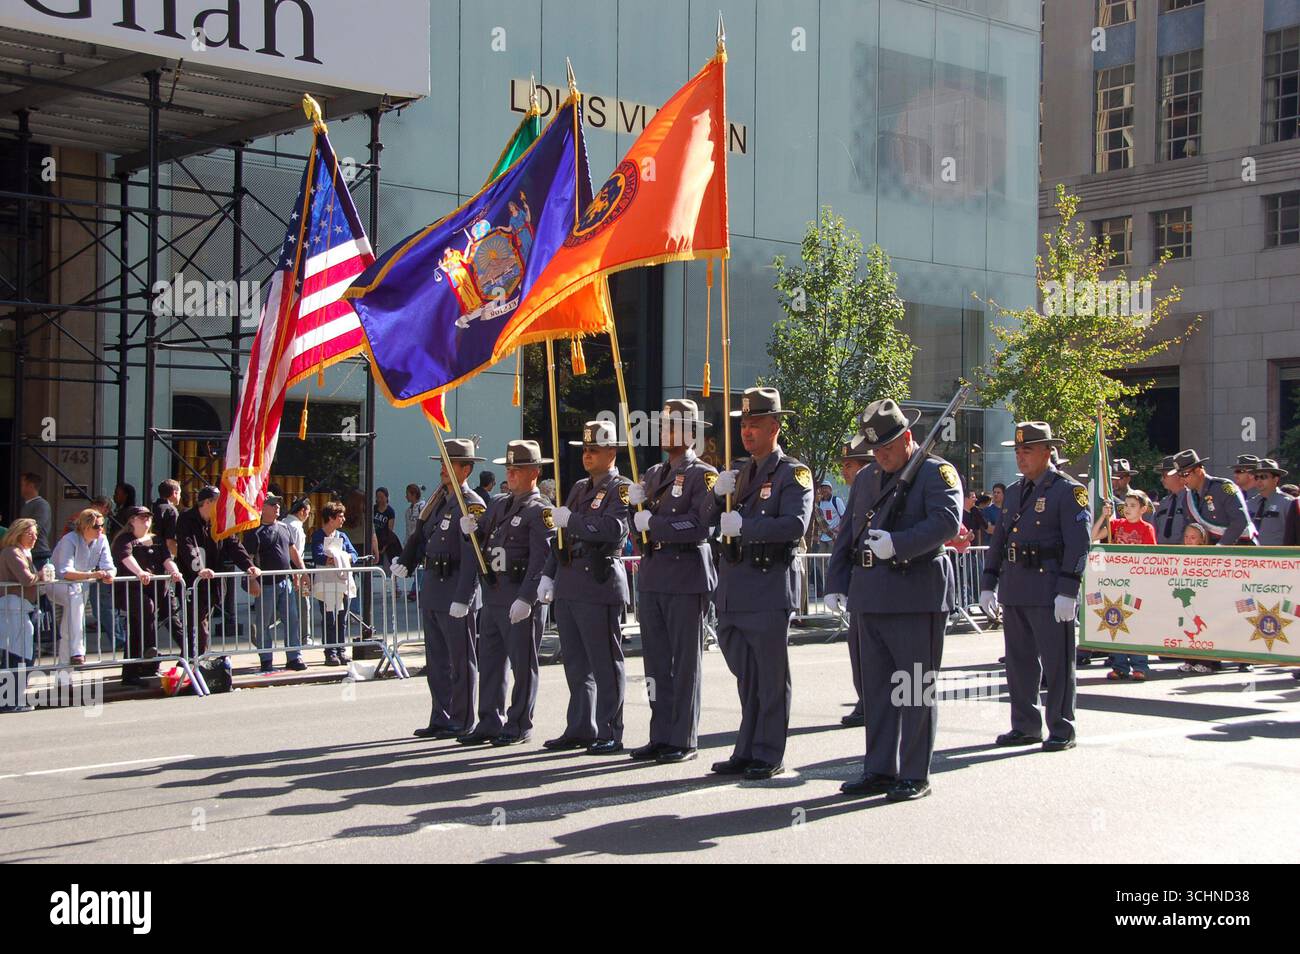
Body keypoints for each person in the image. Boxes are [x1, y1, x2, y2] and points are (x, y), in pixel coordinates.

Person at [825, 400, 962, 801]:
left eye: (886, 448)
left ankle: (914, 773)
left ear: (906, 438)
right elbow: (848, 533)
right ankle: (879, 768)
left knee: (915, 689)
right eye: (875, 450)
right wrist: (837, 581)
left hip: (915, 595)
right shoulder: (867, 477)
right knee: (878, 692)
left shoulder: (937, 472)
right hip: (870, 596)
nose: (880, 456)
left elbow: (946, 522)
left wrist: (899, 545)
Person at [705, 387, 813, 780]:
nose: (747, 431)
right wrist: (717, 498)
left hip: (767, 587)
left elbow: (795, 525)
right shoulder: (739, 472)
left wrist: (746, 528)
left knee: (769, 676)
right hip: (734, 589)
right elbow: (706, 520)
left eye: (755, 424)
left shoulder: (792, 474)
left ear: (775, 426)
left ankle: (768, 751)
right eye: (744, 424)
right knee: (746, 676)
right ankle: (746, 747)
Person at [979, 422, 1091, 752]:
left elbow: (1079, 544)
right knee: (1019, 662)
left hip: (1049, 588)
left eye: (1027, 450)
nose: (1020, 457)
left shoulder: (1068, 490)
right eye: (1016, 451)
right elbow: (998, 541)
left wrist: (1069, 589)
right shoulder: (1014, 493)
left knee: (1057, 664)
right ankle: (1025, 725)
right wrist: (989, 582)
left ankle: (1061, 726)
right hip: (1016, 587)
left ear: (1047, 451)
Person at [626, 399, 718, 764]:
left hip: (685, 573)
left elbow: (700, 525)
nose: (665, 431)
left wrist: (656, 524)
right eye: (663, 424)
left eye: (673, 425)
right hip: (653, 573)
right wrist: (637, 510)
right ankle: (660, 734)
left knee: (685, 663)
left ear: (691, 431)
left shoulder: (703, 475)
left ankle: (683, 738)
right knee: (656, 663)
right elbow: (639, 528)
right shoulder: (651, 474)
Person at [537, 421, 632, 754]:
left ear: (612, 452)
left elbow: (613, 528)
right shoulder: (578, 488)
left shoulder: (621, 488)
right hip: (570, 581)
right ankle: (580, 726)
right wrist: (548, 575)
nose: (587, 455)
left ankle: (609, 729)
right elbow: (560, 540)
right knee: (575, 663)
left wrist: (572, 520)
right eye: (585, 450)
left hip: (598, 581)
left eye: (594, 450)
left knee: (604, 662)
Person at [457, 440, 555, 746]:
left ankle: (519, 723)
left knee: (522, 664)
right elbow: (481, 535)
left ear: (534, 473)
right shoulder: (499, 503)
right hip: (495, 594)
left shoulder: (541, 511)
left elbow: (542, 559)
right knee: (491, 662)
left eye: (518, 469)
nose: (511, 474)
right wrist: (471, 528)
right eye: (509, 469)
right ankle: (489, 719)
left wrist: (527, 597)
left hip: (518, 597)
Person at [392, 440, 486, 738]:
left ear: (466, 469)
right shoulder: (439, 501)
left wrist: (465, 597)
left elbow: (473, 555)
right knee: (436, 662)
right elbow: (424, 538)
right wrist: (408, 560)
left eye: (450, 464)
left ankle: (462, 718)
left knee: (460, 660)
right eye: (442, 463)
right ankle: (441, 715)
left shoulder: (472, 504)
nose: (443, 469)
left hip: (456, 590)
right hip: (434, 587)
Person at [174, 486, 261, 658]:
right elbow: (187, 546)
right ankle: (194, 660)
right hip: (194, 580)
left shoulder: (220, 521)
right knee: (196, 622)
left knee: (201, 621)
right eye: (218, 503)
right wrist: (199, 568)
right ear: (207, 503)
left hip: (213, 582)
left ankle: (196, 658)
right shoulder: (187, 519)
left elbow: (233, 544)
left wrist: (248, 565)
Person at [111, 507, 184, 686]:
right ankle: (141, 661)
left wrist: (175, 572)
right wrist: (140, 572)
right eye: (142, 517)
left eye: (148, 517)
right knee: (142, 617)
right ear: (132, 520)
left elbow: (167, 559)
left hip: (160, 589)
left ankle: (191, 655)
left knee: (174, 620)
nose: (146, 520)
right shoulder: (125, 540)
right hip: (134, 591)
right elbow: (126, 557)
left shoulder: (156, 540)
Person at [1092, 492, 1156, 681]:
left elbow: (1151, 554)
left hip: (1135, 581)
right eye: (1126, 505)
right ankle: (1119, 665)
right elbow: (1093, 535)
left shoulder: (1147, 528)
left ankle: (1140, 665)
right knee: (1116, 621)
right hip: (1116, 580)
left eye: (1133, 506)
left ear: (1143, 509)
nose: (1127, 509)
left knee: (1135, 623)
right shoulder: (1116, 525)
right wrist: (1104, 516)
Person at [244, 497, 307, 673]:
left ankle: (294, 656)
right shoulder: (254, 532)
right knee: (264, 622)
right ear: (262, 508)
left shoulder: (284, 527)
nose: (277, 506)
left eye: (278, 504)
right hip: (265, 584)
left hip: (284, 581)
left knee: (292, 619)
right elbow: (247, 559)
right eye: (272, 504)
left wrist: (301, 572)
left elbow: (292, 551)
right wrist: (252, 580)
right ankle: (266, 658)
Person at [836, 435, 874, 729]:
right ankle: (866, 700)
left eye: (849, 465)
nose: (844, 472)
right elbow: (846, 536)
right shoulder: (858, 492)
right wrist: (835, 582)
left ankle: (873, 702)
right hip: (861, 581)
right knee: (857, 646)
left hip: (884, 580)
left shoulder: (878, 489)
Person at [48, 509, 115, 667]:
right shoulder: (69, 539)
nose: (101, 529)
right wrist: (92, 575)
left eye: (102, 525)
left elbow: (109, 565)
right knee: (75, 593)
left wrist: (109, 575)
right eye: (97, 526)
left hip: (79, 587)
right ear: (85, 527)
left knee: (67, 630)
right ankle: (78, 650)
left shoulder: (102, 540)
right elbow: (65, 572)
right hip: (57, 585)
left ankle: (64, 678)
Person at [1172, 449, 1257, 544]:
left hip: (1240, 550)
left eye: (1185, 474)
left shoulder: (1223, 487)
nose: (1182, 480)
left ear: (1198, 470)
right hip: (1211, 554)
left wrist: (1220, 547)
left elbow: (1240, 521)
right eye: (1180, 476)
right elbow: (1190, 529)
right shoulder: (1188, 499)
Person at [311, 501, 359, 666]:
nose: (343, 519)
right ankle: (330, 652)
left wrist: (346, 557)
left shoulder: (342, 536)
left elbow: (354, 553)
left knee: (341, 618)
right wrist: (331, 559)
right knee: (329, 618)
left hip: (342, 584)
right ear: (330, 518)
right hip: (327, 583)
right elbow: (318, 555)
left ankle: (341, 650)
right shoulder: (319, 535)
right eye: (340, 516)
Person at [0, 519, 41, 712]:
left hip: (23, 607)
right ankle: (8, 701)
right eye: (30, 533)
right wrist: (42, 575)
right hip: (13, 608)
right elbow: (26, 579)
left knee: (24, 653)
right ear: (18, 533)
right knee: (16, 654)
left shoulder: (24, 553)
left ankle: (13, 698)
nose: (34, 537)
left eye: (35, 534)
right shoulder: (12, 552)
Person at [1248, 460, 1300, 546]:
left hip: (1277, 556)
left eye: (1263, 477)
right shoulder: (1249, 504)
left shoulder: (1288, 503)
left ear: (1276, 479)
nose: (1259, 480)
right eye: (1256, 477)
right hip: (1249, 556)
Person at [1151, 456, 1188, 545]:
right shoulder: (1164, 503)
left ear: (1177, 475)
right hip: (1162, 553)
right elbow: (1154, 528)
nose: (1161, 479)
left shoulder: (1192, 500)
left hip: (1184, 553)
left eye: (1164, 475)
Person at [18, 473, 52, 567]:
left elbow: (36, 527)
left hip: (39, 554)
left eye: (22, 485)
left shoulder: (41, 505)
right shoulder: (26, 505)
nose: (20, 488)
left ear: (31, 486)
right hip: (27, 552)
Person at [152, 480, 182, 558]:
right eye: (179, 493)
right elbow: (170, 541)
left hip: (148, 553)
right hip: (164, 557)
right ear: (175, 493)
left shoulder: (152, 507)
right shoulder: (171, 510)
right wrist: (181, 558)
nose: (180, 496)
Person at [814, 482, 845, 552]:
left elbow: (844, 516)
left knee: (831, 558)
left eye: (826, 488)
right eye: (822, 488)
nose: (824, 490)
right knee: (820, 559)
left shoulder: (836, 500)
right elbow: (818, 521)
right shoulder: (819, 503)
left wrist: (839, 527)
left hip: (834, 536)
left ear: (830, 490)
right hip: (822, 537)